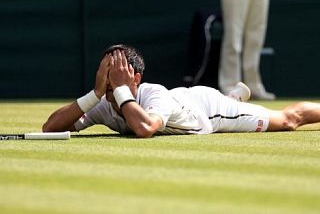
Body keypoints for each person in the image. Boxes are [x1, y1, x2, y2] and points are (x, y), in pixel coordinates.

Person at [43, 44, 320, 138]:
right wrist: (94, 93)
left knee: (288, 120)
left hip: (210, 111)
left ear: (135, 78)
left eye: (117, 73)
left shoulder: (153, 94)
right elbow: (50, 128)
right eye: (106, 72)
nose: (110, 80)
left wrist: (122, 90)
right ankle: (233, 96)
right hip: (184, 99)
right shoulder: (104, 103)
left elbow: (145, 128)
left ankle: (230, 101)